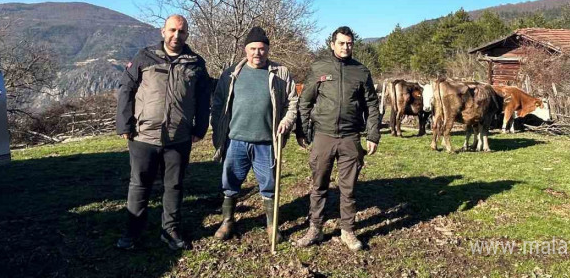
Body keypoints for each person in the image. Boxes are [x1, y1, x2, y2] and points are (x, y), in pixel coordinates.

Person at [115, 14, 211, 251]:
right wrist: (124, 125)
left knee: (175, 186)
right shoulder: (144, 57)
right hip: (143, 136)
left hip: (179, 137)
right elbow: (126, 90)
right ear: (163, 31)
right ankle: (132, 232)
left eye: (181, 31)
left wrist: (200, 128)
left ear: (187, 34)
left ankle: (170, 231)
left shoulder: (196, 63)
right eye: (172, 30)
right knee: (139, 185)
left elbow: (202, 99)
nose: (176, 35)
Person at [294, 26, 380, 251]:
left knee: (348, 187)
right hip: (323, 135)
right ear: (332, 44)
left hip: (350, 137)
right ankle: (315, 228)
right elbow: (306, 101)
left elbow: (372, 104)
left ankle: (348, 230)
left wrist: (373, 134)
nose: (345, 47)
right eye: (341, 43)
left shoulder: (361, 71)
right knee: (319, 184)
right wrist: (302, 131)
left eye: (349, 43)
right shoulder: (319, 68)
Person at [211, 27, 298, 243]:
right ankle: (227, 221)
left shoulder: (281, 72)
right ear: (245, 50)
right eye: (253, 49)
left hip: (266, 141)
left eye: (261, 49)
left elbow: (292, 102)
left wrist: (287, 122)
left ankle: (271, 225)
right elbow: (218, 101)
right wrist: (218, 125)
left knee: (269, 184)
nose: (257, 53)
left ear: (267, 50)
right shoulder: (231, 74)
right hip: (236, 140)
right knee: (230, 182)